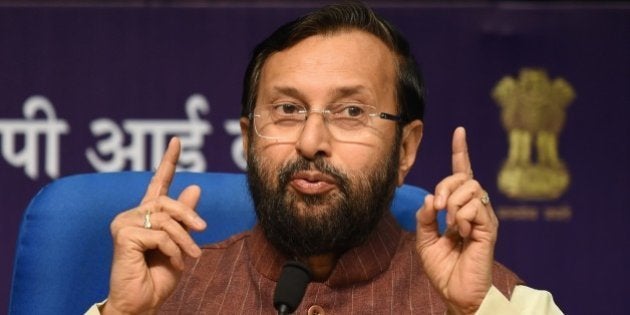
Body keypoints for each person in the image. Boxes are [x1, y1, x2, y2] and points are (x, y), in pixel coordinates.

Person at [88, 2, 562, 314]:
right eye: (288, 110)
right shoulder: (169, 295)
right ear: (250, 140)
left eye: (351, 111)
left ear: (406, 148)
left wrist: (480, 307)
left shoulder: (494, 297)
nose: (311, 141)